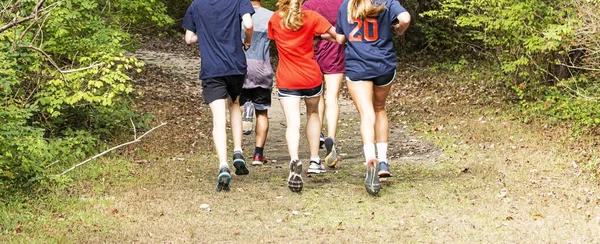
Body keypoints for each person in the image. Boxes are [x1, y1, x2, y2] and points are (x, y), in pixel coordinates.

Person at [335, 0, 411, 195]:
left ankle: (370, 159)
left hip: (358, 66)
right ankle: (383, 161)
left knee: (366, 113)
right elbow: (405, 18)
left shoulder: (346, 5)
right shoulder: (387, 2)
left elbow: (341, 38)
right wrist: (399, 30)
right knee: (379, 108)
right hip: (384, 65)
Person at [183, 0, 255, 192]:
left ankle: (223, 165)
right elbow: (248, 24)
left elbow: (189, 38)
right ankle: (238, 151)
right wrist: (247, 42)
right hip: (235, 65)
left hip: (212, 69)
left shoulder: (196, 5)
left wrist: (206, 34)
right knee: (235, 104)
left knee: (218, 119)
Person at [268, 0, 339, 192]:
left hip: (287, 78)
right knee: (313, 114)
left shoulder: (275, 19)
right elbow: (338, 37)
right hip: (311, 77)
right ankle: (315, 160)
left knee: (293, 123)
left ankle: (294, 160)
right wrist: (325, 37)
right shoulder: (313, 17)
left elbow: (276, 38)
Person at [302, 0, 345, 169]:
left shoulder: (309, 5)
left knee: (317, 96)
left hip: (314, 52)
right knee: (332, 97)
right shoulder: (343, 3)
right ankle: (331, 137)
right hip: (335, 51)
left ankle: (318, 132)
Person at [240, 0, 275, 166]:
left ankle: (238, 151)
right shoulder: (271, 17)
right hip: (262, 68)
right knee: (262, 113)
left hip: (240, 67)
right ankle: (258, 155)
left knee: (236, 107)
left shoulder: (237, 14)